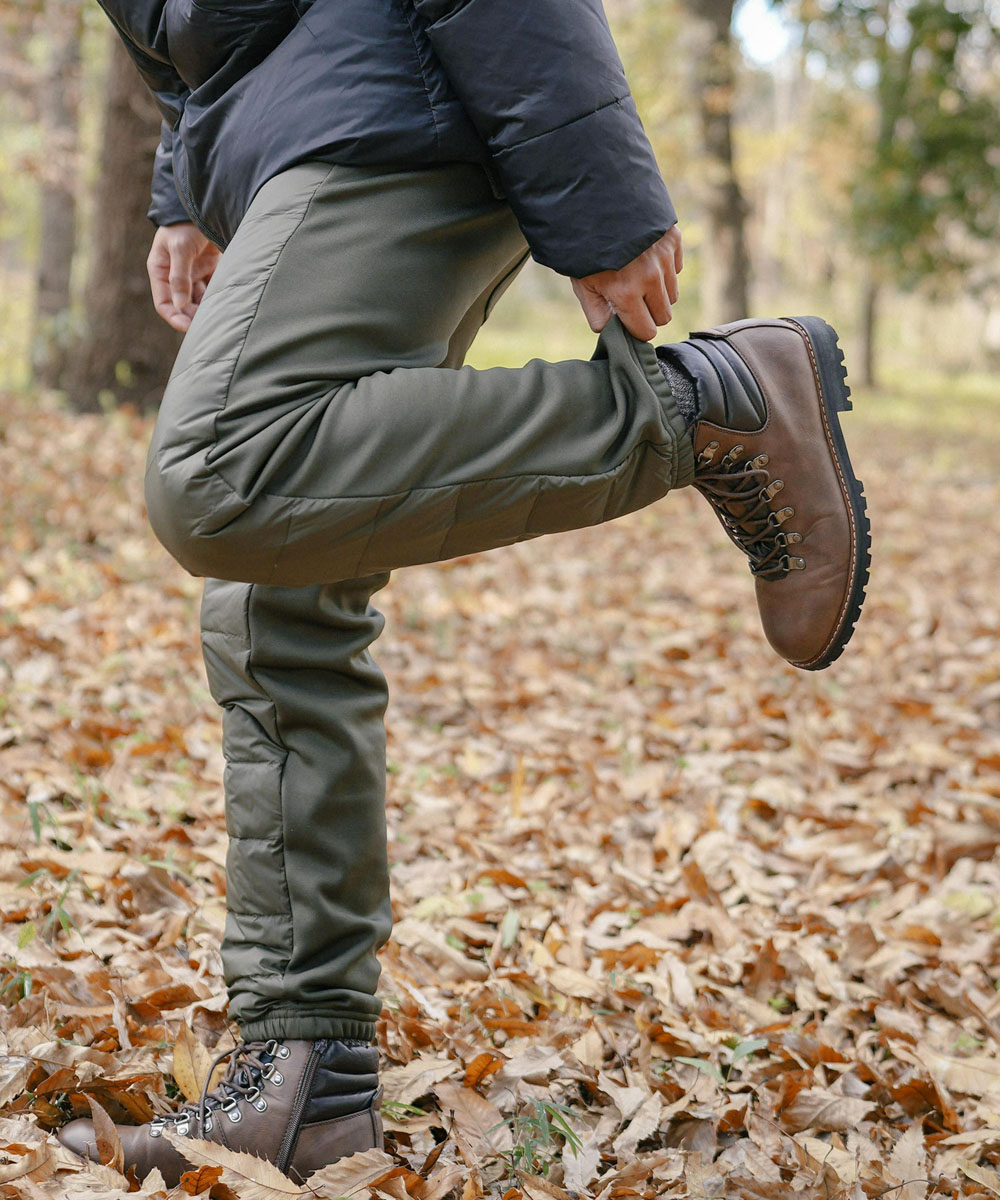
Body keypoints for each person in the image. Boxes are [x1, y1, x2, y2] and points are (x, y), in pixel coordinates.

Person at [59, 0, 870, 1184]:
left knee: (223, 473)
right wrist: (187, 185)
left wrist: (599, 190)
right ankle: (306, 1085)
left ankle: (713, 403)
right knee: (279, 574)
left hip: (389, 97)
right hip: (294, 128)